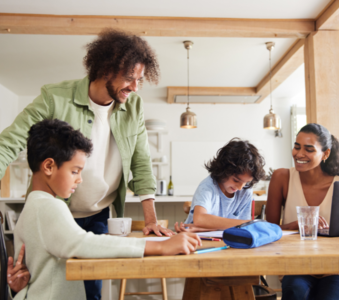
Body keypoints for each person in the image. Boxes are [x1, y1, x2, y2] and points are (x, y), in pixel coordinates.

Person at [0, 29, 173, 299]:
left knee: (89, 291)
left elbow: (141, 161)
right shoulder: (54, 97)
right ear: (105, 69)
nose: (135, 87)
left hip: (99, 212)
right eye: (130, 78)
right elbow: (7, 144)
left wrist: (150, 218)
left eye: (140, 79)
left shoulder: (133, 106)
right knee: (43, 282)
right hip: (57, 211)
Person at [11, 119, 201, 300]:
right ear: (49, 166)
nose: (79, 179)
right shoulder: (48, 206)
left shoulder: (34, 206)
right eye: (75, 171)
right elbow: (82, 243)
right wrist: (160, 246)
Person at [266, 123, 339, 300]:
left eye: (309, 149)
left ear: (326, 154)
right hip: (296, 266)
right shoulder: (282, 177)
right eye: (297, 147)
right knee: (296, 292)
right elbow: (268, 231)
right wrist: (296, 226)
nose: (299, 154)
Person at [175, 138, 266, 232]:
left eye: (246, 182)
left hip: (223, 238)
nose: (240, 187)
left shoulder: (246, 190)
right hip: (196, 238)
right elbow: (199, 219)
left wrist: (244, 224)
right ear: (223, 170)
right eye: (236, 180)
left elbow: (243, 228)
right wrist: (247, 223)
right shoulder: (207, 187)